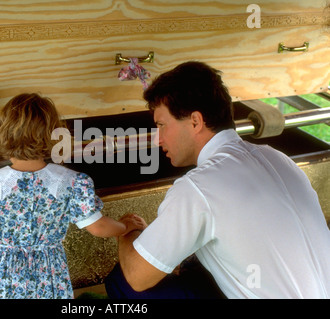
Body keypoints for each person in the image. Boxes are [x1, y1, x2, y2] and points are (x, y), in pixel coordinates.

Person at [105, 61, 330, 299]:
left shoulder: (199, 186)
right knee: (197, 262)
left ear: (195, 121)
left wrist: (129, 231)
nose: (158, 139)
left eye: (162, 125)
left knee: (123, 281)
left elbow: (137, 277)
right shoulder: (278, 158)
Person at [0, 93, 144, 299]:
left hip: (0, 278)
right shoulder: (72, 182)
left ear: (4, 135)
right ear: (54, 135)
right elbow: (98, 227)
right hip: (49, 275)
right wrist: (125, 227)